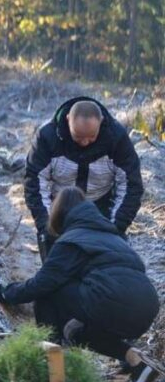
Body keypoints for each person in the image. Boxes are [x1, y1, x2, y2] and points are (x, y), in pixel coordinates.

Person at [0, 187, 160, 382]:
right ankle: (137, 362)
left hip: (112, 302)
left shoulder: (71, 239)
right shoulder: (115, 237)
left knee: (49, 293)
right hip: (146, 308)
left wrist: (4, 293)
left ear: (59, 216)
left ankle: (50, 366)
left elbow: (43, 283)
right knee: (76, 332)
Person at [24, 97, 143, 261]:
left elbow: (131, 185)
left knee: (106, 265)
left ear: (101, 122)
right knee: (57, 267)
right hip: (60, 205)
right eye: (78, 136)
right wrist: (47, 224)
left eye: (91, 137)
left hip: (101, 205)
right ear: (67, 121)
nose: (85, 142)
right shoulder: (47, 136)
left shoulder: (117, 138)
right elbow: (35, 183)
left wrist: (116, 226)